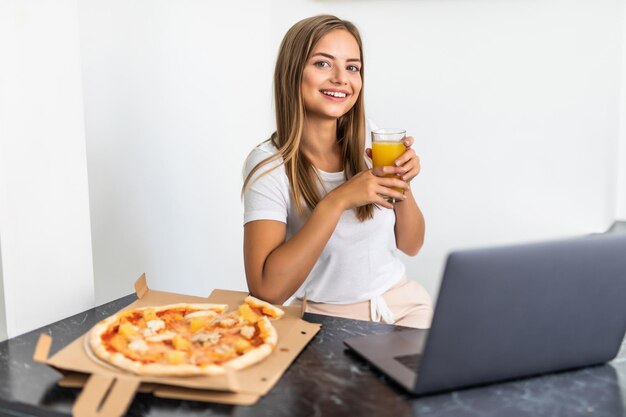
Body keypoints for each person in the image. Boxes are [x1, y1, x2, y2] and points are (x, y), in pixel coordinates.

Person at [241, 15, 433, 328]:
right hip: (326, 318)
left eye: (352, 67)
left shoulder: (371, 140)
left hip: (403, 306)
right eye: (323, 63)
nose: (342, 78)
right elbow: (266, 291)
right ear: (293, 72)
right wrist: (338, 200)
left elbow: (411, 245)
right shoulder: (268, 165)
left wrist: (403, 185)